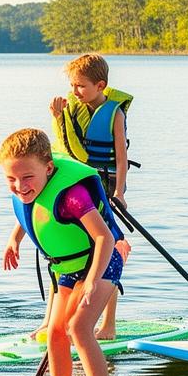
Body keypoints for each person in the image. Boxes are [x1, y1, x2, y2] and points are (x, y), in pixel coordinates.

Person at [0, 128, 125, 376]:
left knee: (79, 328)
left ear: (49, 168)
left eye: (27, 178)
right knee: (55, 333)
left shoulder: (72, 195)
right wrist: (14, 240)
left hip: (101, 262)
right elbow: (31, 213)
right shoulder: (31, 189)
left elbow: (104, 237)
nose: (19, 186)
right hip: (66, 268)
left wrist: (93, 280)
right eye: (11, 179)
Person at [48, 54, 135, 338]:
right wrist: (58, 117)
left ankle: (108, 324)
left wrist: (120, 192)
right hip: (81, 188)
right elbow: (65, 149)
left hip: (106, 187)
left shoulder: (115, 113)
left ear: (100, 85)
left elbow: (121, 158)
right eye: (72, 86)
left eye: (80, 87)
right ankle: (53, 321)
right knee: (68, 254)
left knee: (107, 254)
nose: (74, 92)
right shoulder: (75, 110)